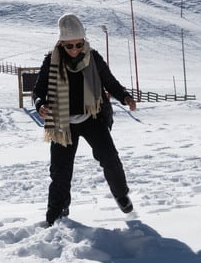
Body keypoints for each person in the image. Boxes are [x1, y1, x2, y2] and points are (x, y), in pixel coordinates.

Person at [32, 13, 137, 226]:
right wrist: (40, 105)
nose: (74, 50)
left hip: (92, 118)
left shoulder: (94, 58)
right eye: (69, 46)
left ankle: (121, 195)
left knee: (110, 159)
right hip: (63, 123)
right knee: (60, 171)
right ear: (61, 43)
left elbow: (110, 82)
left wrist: (125, 96)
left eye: (79, 44)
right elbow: (38, 91)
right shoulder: (51, 61)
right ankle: (56, 214)